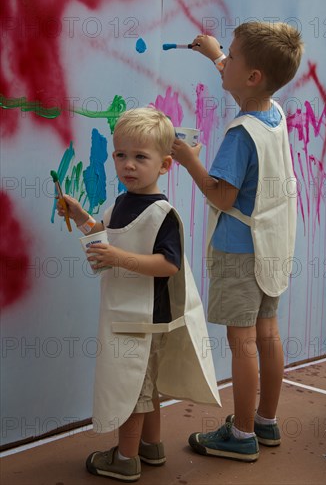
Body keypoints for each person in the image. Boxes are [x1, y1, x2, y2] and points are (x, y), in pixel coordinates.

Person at [56, 107, 220, 481]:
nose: (128, 165)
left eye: (140, 157)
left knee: (134, 388)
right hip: (128, 312)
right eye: (121, 155)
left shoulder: (163, 212)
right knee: (145, 384)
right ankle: (151, 446)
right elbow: (103, 233)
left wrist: (119, 258)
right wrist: (82, 216)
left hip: (142, 317)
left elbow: (169, 264)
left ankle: (126, 459)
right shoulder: (122, 202)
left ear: (164, 165)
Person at [171, 22, 304, 462]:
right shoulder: (273, 113)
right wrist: (214, 56)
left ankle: (241, 434)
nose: (224, 60)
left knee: (242, 342)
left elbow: (222, 195)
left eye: (231, 54)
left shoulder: (239, 135)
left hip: (239, 250)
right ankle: (265, 421)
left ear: (252, 76)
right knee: (268, 333)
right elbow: (243, 86)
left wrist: (189, 159)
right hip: (272, 245)